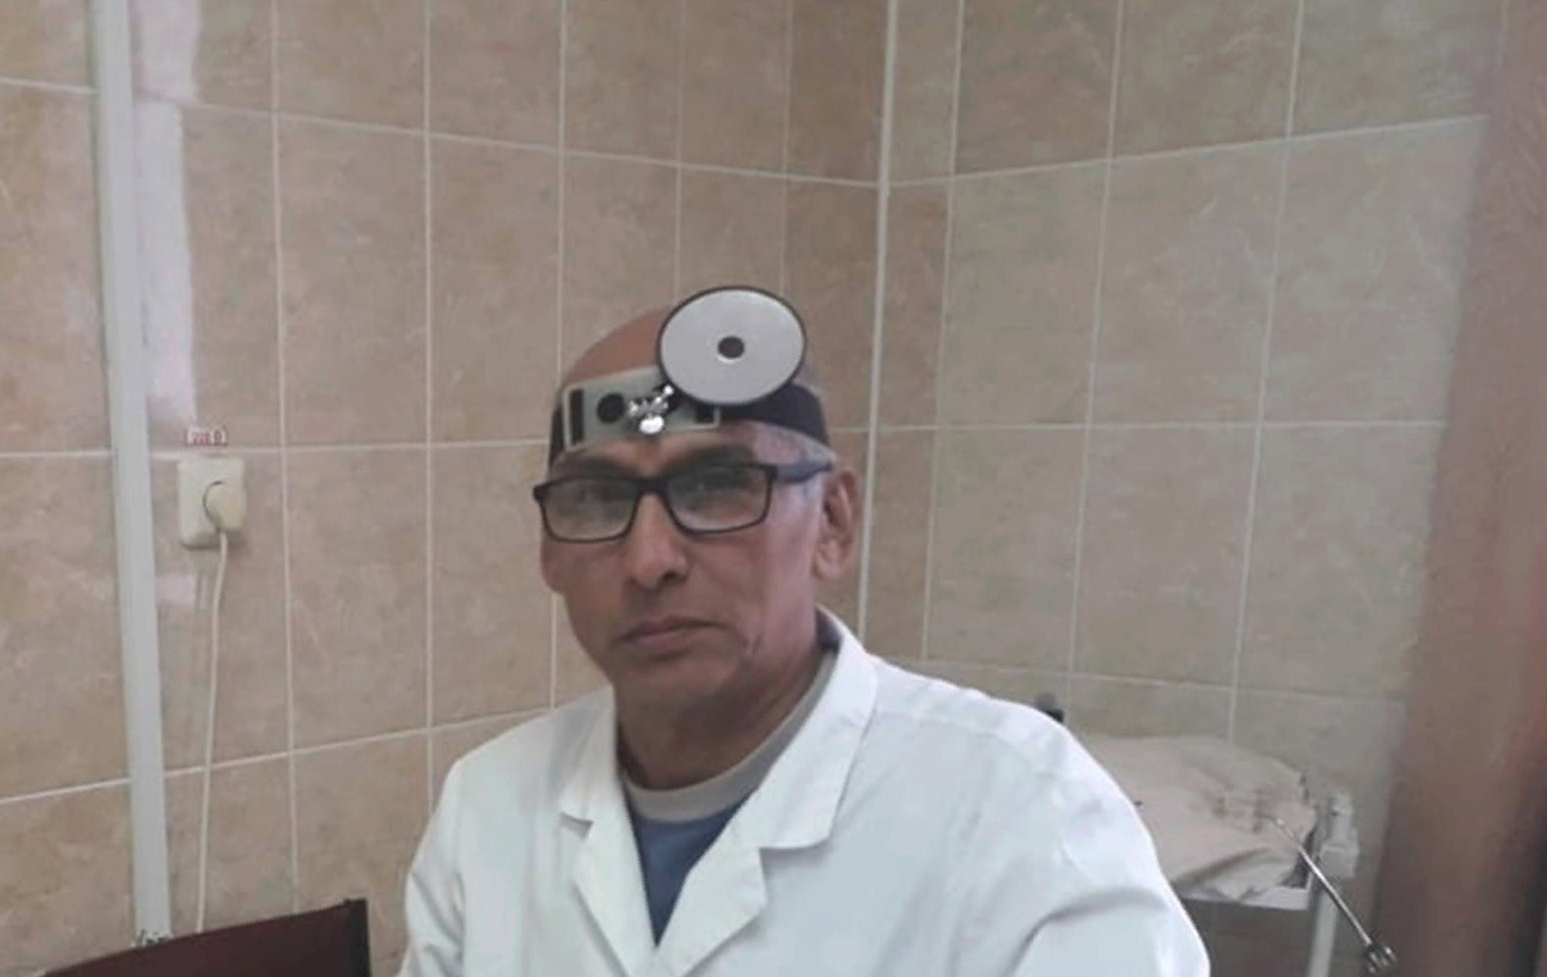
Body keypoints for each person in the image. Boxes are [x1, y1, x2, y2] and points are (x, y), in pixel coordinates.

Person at [397, 288, 1210, 976]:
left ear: (832, 521)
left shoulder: (1020, 809)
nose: (649, 559)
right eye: (597, 501)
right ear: (548, 552)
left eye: (716, 487)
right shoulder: (490, 805)